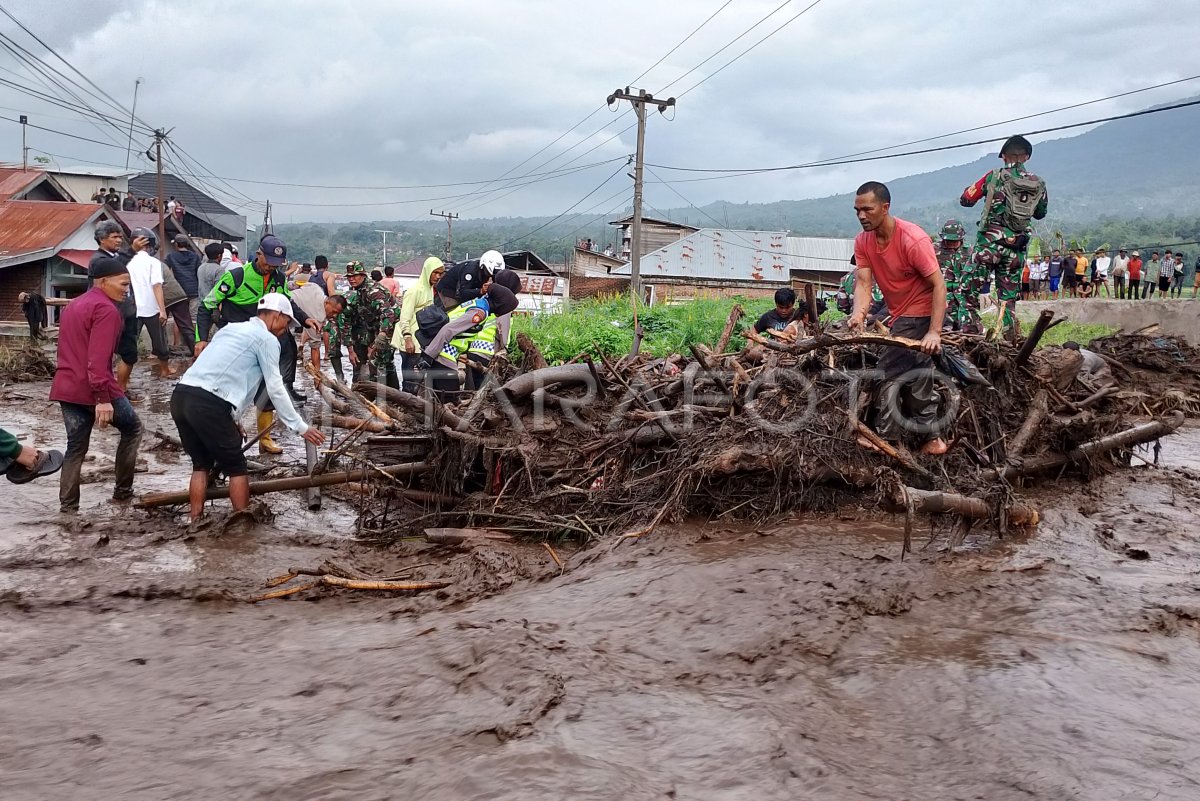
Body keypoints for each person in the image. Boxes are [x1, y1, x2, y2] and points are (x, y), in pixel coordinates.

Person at [172, 294, 326, 523]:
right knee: (236, 467)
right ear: (276, 316)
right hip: (208, 403)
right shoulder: (266, 339)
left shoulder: (229, 330)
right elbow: (275, 387)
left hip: (181, 396)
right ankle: (241, 524)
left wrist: (234, 419)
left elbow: (226, 375)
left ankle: (195, 520)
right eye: (287, 323)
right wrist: (300, 426)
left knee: (200, 465)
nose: (286, 329)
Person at [849, 181, 948, 456]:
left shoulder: (912, 239)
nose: (861, 216)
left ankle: (885, 440)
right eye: (857, 210)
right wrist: (859, 314)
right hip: (900, 314)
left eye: (867, 209)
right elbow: (864, 283)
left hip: (922, 311)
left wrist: (934, 332)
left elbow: (939, 286)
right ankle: (933, 439)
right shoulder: (863, 241)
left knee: (887, 372)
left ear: (885, 207)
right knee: (917, 377)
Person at [196, 234, 320, 454]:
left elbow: (287, 303)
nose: (270, 268)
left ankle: (265, 439)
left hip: (264, 341)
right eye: (267, 262)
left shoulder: (279, 279)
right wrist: (201, 339)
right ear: (259, 254)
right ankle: (221, 435)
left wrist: (304, 318)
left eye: (276, 265)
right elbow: (207, 306)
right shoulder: (236, 277)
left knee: (268, 388)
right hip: (237, 342)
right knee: (232, 388)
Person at [51, 255, 143, 513]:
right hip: (95, 387)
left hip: (66, 387)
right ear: (103, 282)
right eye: (123, 284)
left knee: (75, 447)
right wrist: (102, 399)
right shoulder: (106, 311)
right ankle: (123, 493)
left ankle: (68, 509)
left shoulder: (74, 305)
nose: (127, 290)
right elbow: (97, 360)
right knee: (134, 428)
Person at [960, 135, 1048, 330]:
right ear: (1026, 157)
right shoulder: (1038, 183)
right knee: (1008, 299)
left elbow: (966, 199)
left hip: (989, 247)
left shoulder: (994, 175)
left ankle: (970, 335)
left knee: (966, 292)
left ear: (1004, 157)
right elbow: (1041, 214)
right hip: (1016, 248)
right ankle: (1010, 340)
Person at [418, 283, 520, 397]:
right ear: (500, 305)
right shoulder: (479, 313)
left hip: (440, 351)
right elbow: (448, 329)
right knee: (449, 400)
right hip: (443, 353)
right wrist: (428, 357)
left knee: (437, 399)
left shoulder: (477, 303)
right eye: (506, 309)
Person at [89, 220, 144, 391]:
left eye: (120, 237)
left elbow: (120, 263)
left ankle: (121, 389)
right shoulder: (99, 261)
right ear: (101, 239)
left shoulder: (112, 257)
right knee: (113, 355)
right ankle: (116, 391)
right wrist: (132, 251)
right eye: (114, 237)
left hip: (124, 312)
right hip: (111, 314)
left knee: (128, 354)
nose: (119, 240)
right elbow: (115, 268)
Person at [333, 261, 401, 388]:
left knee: (377, 361)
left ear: (363, 275)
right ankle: (394, 393)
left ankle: (380, 397)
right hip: (377, 326)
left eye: (355, 276)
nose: (351, 279)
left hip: (390, 326)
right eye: (349, 277)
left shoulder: (372, 291)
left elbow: (388, 313)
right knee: (386, 363)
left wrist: (381, 334)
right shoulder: (360, 291)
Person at [457, 269, 522, 390]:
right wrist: (502, 354)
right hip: (488, 353)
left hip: (474, 349)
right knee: (482, 392)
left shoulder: (488, 300)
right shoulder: (504, 306)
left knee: (471, 390)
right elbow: (502, 333)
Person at [126, 228, 178, 378]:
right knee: (159, 341)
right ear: (149, 245)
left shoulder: (126, 261)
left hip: (131, 308)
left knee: (129, 343)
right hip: (151, 308)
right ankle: (164, 370)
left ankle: (124, 378)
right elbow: (157, 286)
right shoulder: (153, 262)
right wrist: (162, 310)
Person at [392, 256, 446, 392]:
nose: (438, 276)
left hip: (421, 341)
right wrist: (407, 338)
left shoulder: (429, 289)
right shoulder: (414, 291)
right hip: (410, 342)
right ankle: (405, 408)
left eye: (440, 273)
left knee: (418, 380)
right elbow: (405, 317)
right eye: (435, 273)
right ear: (428, 271)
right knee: (410, 381)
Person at [290, 266, 346, 377]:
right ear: (327, 303)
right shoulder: (318, 317)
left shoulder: (317, 288)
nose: (334, 315)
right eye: (334, 311)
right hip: (283, 312)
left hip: (286, 299)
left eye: (337, 314)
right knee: (289, 352)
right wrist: (318, 375)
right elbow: (315, 349)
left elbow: (307, 285)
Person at [936, 220, 979, 332]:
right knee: (943, 329)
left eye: (954, 241)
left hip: (964, 299)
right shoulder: (933, 250)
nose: (951, 243)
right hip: (943, 298)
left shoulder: (970, 251)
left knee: (971, 331)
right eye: (948, 241)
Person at [437, 249, 504, 305]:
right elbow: (463, 293)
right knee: (453, 315)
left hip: (460, 294)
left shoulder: (486, 273)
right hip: (447, 293)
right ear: (483, 266)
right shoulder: (470, 271)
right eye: (488, 273)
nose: (490, 276)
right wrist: (480, 291)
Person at [165, 233, 202, 324]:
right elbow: (198, 272)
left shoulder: (171, 256)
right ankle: (193, 337)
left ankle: (177, 339)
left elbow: (164, 269)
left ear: (176, 244)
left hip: (179, 291)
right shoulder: (195, 256)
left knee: (179, 319)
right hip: (194, 290)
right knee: (193, 318)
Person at [197, 242, 226, 306]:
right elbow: (220, 289)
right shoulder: (219, 269)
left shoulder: (201, 267)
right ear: (219, 256)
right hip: (212, 305)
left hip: (201, 303)